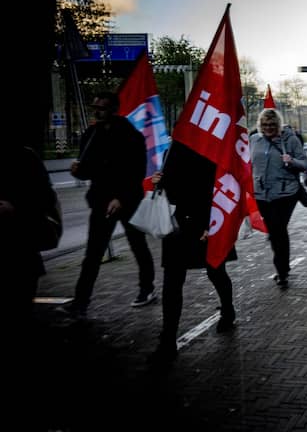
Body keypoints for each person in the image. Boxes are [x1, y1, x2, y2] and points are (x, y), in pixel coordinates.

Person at [63, 91, 156, 318]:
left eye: (101, 108)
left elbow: (136, 170)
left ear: (113, 109)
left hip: (127, 201)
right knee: (93, 253)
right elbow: (88, 169)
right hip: (101, 202)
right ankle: (81, 300)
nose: (97, 112)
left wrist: (121, 198)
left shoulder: (130, 135)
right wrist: (78, 171)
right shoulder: (91, 134)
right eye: (94, 107)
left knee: (137, 245)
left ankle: (147, 288)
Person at [148, 141, 237, 366]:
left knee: (216, 271)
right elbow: (171, 186)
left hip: (203, 225)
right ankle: (167, 340)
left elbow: (215, 187)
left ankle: (228, 310)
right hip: (177, 226)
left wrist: (211, 223)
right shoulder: (172, 150)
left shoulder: (211, 150)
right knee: (172, 283)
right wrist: (159, 181)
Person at [1, 142, 58, 328]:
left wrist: (17, 208)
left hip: (20, 244)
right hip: (22, 248)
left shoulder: (22, 156)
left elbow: (46, 197)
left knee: (20, 305)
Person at [250, 109, 307, 288]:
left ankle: (282, 271)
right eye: (265, 125)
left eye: (272, 125)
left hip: (285, 193)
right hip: (261, 193)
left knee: (278, 230)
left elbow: (305, 164)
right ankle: (282, 268)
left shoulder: (290, 140)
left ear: (278, 125)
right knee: (274, 231)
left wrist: (291, 161)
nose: (268, 128)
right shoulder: (254, 139)